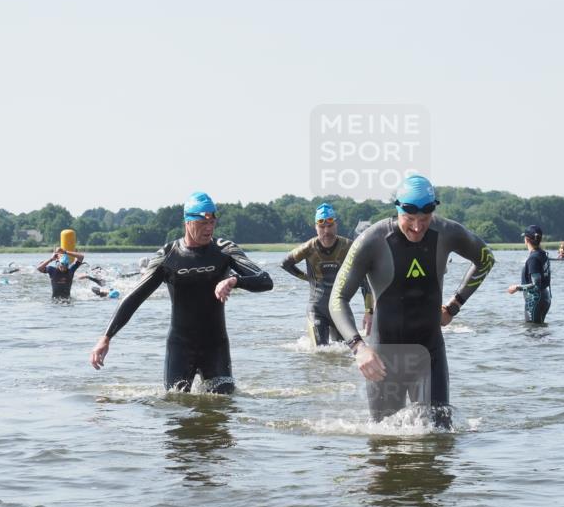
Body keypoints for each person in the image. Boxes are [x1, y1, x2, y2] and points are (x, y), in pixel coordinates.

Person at [329, 175, 495, 427]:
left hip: (430, 355)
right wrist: (358, 348)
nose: (418, 228)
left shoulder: (447, 232)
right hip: (384, 359)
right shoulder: (372, 240)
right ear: (397, 210)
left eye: (424, 220)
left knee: (438, 439)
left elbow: (486, 260)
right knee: (383, 448)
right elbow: (337, 299)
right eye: (410, 220)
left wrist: (454, 305)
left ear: (433, 211)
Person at [89, 191, 273, 393]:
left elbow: (265, 280)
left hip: (215, 346)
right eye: (203, 223)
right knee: (176, 407)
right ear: (188, 221)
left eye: (213, 222)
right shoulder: (168, 255)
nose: (209, 228)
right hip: (180, 347)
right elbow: (135, 296)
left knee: (223, 410)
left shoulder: (224, 250)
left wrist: (234, 280)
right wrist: (106, 337)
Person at [281, 203, 373, 346]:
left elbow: (365, 280)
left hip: (340, 308)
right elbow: (285, 263)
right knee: (320, 351)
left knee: (350, 350)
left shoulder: (349, 247)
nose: (326, 231)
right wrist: (307, 278)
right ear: (315, 227)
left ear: (336, 225)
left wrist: (369, 311)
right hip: (317, 309)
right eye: (322, 227)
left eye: (330, 226)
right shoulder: (308, 248)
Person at [507, 225, 552, 323]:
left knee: (531, 331)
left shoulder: (533, 258)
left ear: (526, 239)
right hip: (545, 297)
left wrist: (517, 287)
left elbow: (536, 285)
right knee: (539, 332)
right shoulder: (542, 254)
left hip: (535, 300)